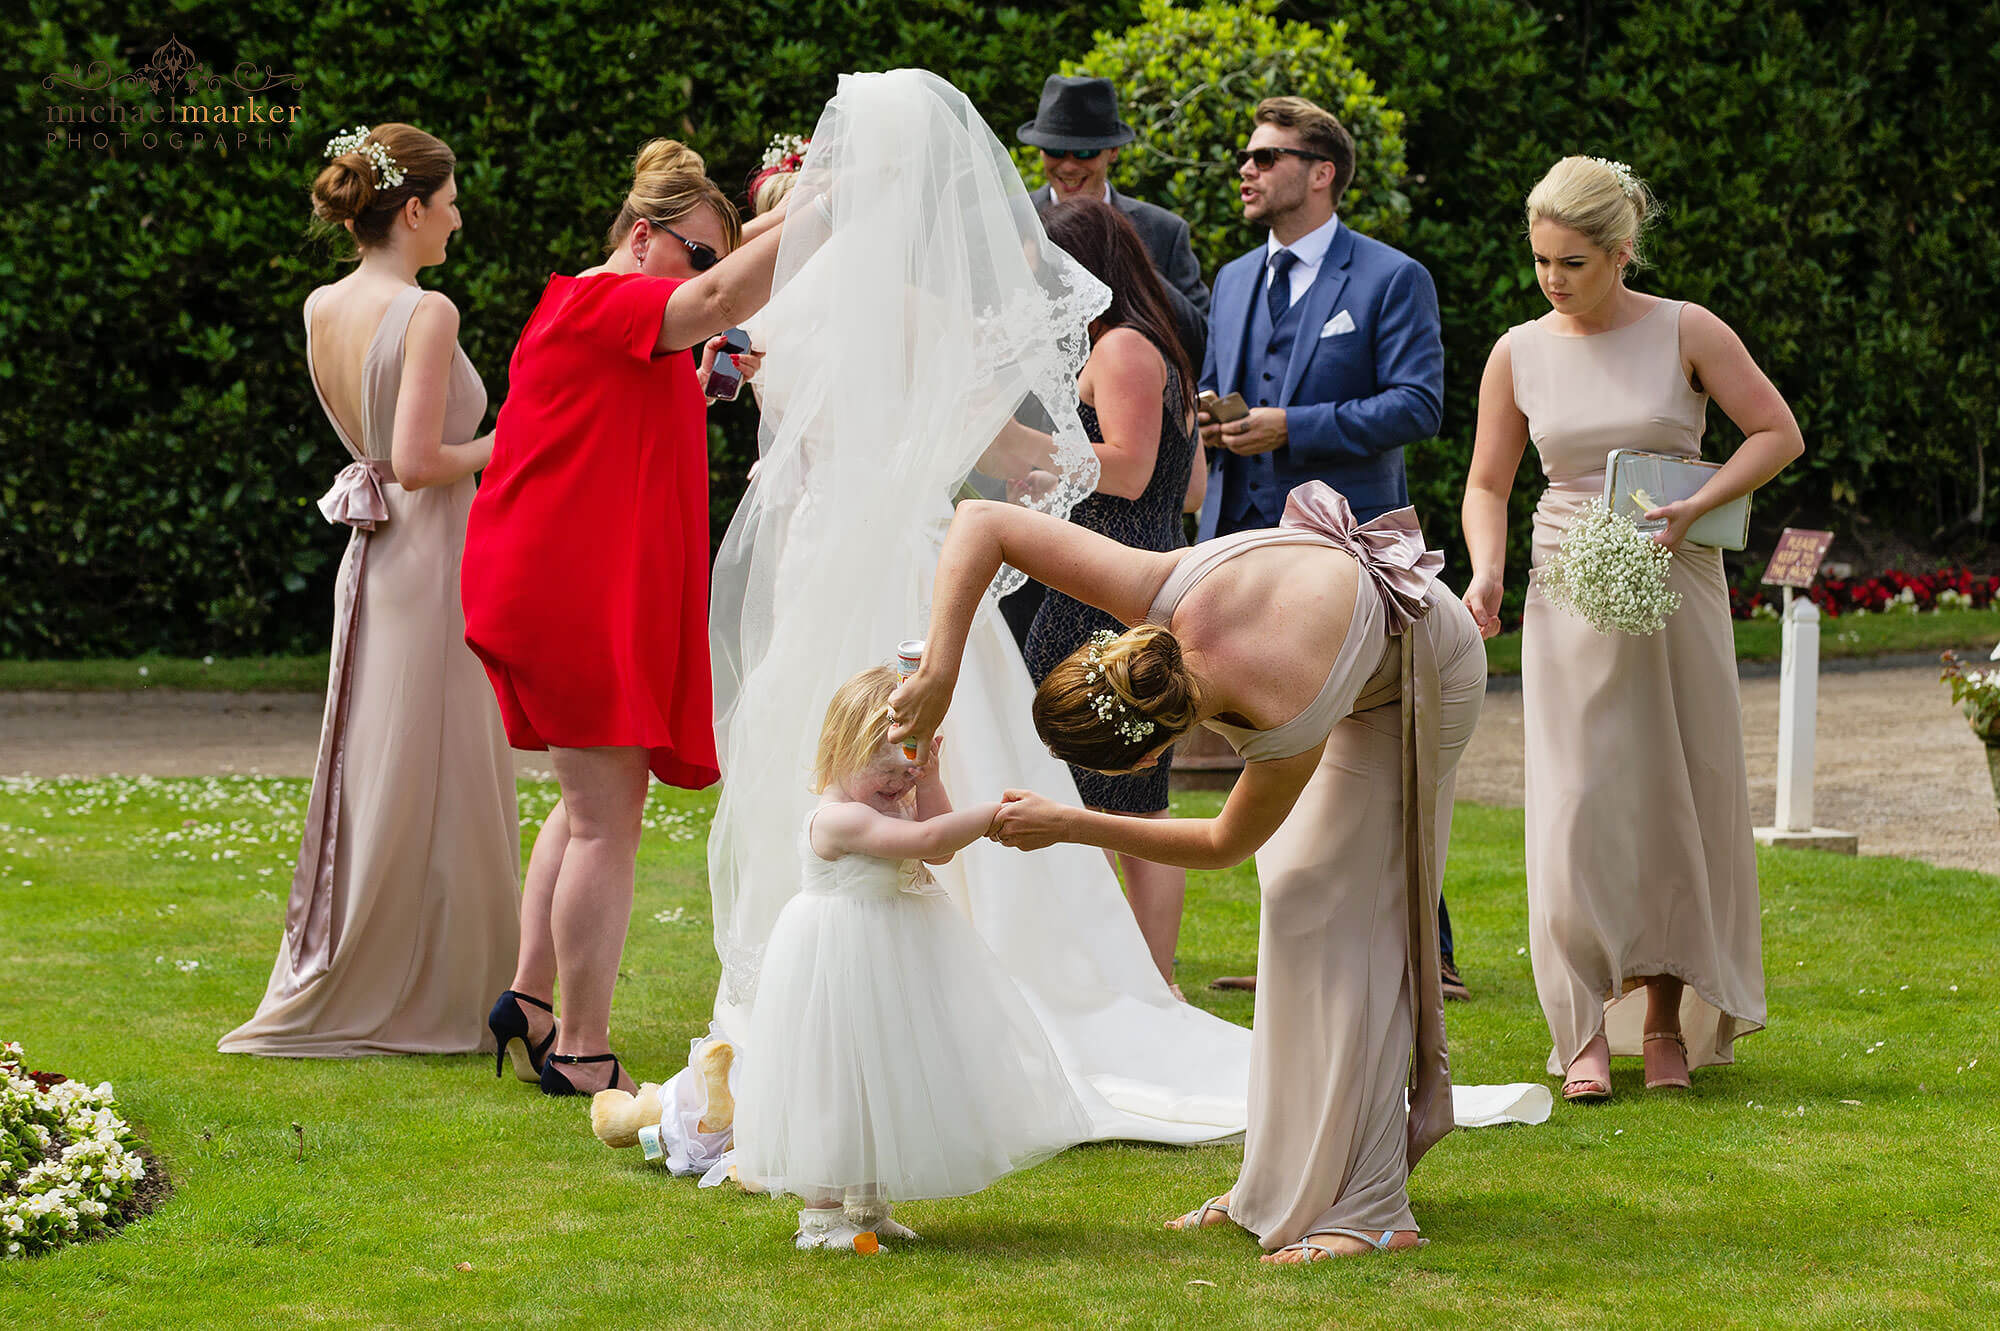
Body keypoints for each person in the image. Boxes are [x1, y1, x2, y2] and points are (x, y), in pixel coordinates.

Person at [708, 69, 1252, 1152]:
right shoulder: (921, 309)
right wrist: (1085, 471)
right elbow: (1011, 456)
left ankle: (793, 1009)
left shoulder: (788, 301)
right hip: (905, 558)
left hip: (815, 558)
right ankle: (967, 993)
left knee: (803, 751)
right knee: (947, 744)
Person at [890, 482, 1487, 1263]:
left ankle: (1375, 1207)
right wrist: (941, 669)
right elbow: (985, 522)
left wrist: (1070, 823)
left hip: (1424, 672)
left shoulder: (1283, 708)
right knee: (1294, 894)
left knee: (1352, 922)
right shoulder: (1157, 595)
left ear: (1143, 755)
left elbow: (1220, 844)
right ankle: (1271, 1185)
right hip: (1341, 638)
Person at [1460, 156, 1800, 1100]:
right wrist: (1487, 571)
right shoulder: (1517, 350)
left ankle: (1662, 1023)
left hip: (1675, 581)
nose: (1551, 280)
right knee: (1575, 806)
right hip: (1566, 584)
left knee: (1670, 797)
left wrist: (1698, 509)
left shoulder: (1687, 328)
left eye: (1571, 262)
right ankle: (1579, 1031)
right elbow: (1488, 482)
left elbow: (1777, 433)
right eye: (1540, 260)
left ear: (1620, 253)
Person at [460, 138, 789, 1096]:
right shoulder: (603, 297)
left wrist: (771, 225)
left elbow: (714, 290)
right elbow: (721, 299)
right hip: (570, 590)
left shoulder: (609, 312)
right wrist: (842, 197)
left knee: (585, 805)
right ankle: (584, 1049)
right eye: (693, 253)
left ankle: (527, 1000)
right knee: (609, 820)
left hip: (566, 579)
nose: (706, 273)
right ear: (641, 239)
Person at [221, 123, 521, 1058]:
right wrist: (518, 443)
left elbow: (381, 455)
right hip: (430, 551)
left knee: (388, 760)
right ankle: (436, 985)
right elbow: (424, 460)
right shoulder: (427, 312)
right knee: (436, 766)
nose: (460, 220)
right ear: (417, 207)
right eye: (453, 201)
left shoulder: (321, 306)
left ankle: (410, 965)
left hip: (377, 556)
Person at [1194, 95, 1464, 997]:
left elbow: (1419, 404)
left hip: (1352, 550)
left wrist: (1290, 425)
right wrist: (1215, 419)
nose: (1247, 168)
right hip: (1250, 545)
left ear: (1322, 173)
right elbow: (1220, 383)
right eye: (1247, 154)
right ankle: (1301, 940)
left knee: (1386, 739)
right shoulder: (1232, 279)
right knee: (1275, 741)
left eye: (1266, 156)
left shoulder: (1391, 278)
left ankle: (1432, 950)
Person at [734, 667, 1091, 1252]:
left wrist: (932, 778)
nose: (901, 785)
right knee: (839, 1079)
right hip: (839, 958)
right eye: (889, 771)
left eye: (911, 770)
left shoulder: (890, 801)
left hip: (891, 955)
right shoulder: (840, 818)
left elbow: (941, 843)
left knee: (888, 1070)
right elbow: (929, 842)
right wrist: (994, 813)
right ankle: (822, 1218)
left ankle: (870, 1207)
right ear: (841, 749)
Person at [1017, 198, 1198, 995]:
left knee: (1117, 798)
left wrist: (1008, 440)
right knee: (1126, 792)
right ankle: (1142, 984)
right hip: (1130, 568)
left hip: (1106, 586)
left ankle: (1139, 985)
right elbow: (1182, 482)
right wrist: (1058, 471)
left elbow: (1124, 468)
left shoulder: (1122, 346)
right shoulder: (1154, 344)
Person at [1020, 74, 1210, 366]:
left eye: (1085, 152)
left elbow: (1201, 341)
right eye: (1055, 150)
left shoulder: (1164, 231)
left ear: (1114, 151)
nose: (1069, 165)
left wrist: (1128, 260)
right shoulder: (1010, 221)